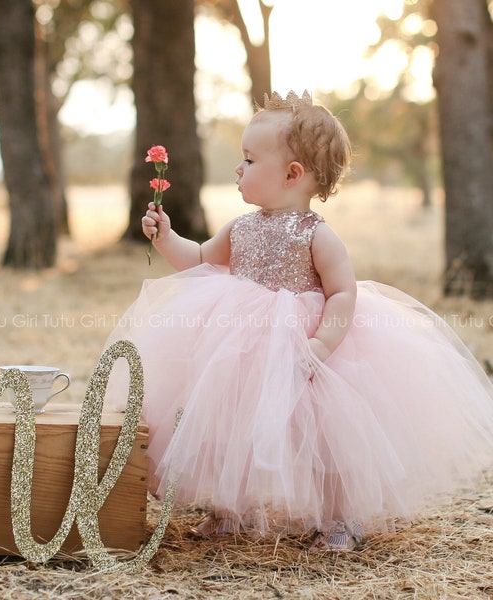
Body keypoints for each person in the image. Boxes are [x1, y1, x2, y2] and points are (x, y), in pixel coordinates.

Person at [104, 91, 493, 551]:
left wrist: (323, 345)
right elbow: (201, 259)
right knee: (229, 421)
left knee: (326, 437)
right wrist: (168, 238)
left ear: (292, 175)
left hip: (304, 343)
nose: (238, 169)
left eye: (249, 160)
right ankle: (229, 509)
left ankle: (339, 518)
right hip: (239, 342)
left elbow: (342, 293)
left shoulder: (318, 235)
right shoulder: (240, 227)